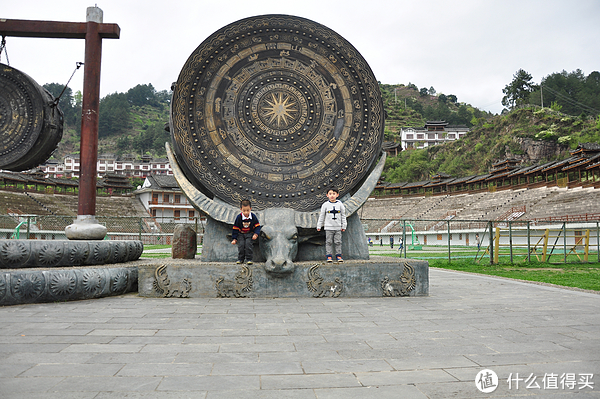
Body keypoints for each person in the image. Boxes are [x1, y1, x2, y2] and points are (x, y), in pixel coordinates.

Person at [317, 187, 347, 262]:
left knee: (338, 242)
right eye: (330, 194)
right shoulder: (325, 205)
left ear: (337, 195)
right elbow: (322, 216)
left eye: (334, 194)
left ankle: (339, 256)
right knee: (329, 242)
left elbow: (343, 216)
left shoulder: (340, 204)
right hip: (328, 228)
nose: (332, 195)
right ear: (327, 195)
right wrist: (319, 225)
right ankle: (329, 256)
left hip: (338, 228)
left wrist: (344, 225)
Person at [231, 199, 261, 265]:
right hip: (241, 234)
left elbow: (257, 226)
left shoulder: (253, 217)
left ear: (250, 209)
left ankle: (249, 259)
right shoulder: (239, 217)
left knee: (248, 245)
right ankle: (240, 259)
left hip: (249, 234)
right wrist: (234, 238)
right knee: (241, 246)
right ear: (241, 209)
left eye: (248, 210)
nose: (246, 212)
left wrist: (256, 234)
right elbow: (235, 228)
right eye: (244, 210)